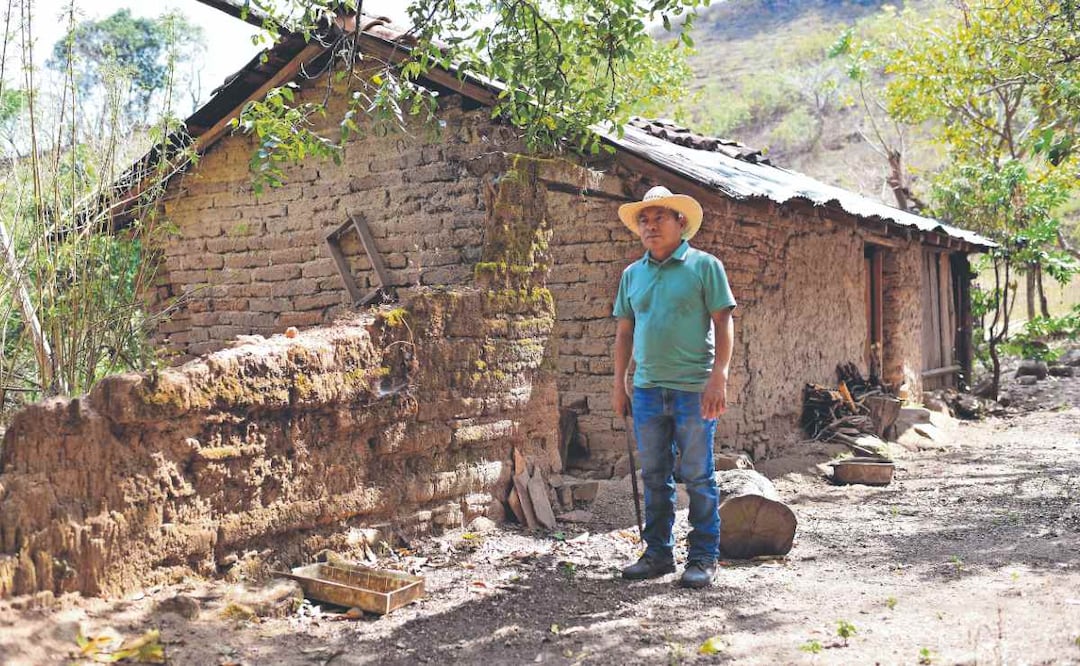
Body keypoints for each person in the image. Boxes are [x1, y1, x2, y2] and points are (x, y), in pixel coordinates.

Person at [611, 185, 736, 589]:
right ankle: (657, 554)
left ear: (680, 222)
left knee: (698, 476)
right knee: (654, 475)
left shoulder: (705, 266)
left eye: (659, 218)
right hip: (647, 389)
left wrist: (719, 375)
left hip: (693, 389)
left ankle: (703, 556)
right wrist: (619, 383)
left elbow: (723, 321)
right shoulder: (632, 275)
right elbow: (624, 332)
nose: (650, 226)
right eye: (644, 220)